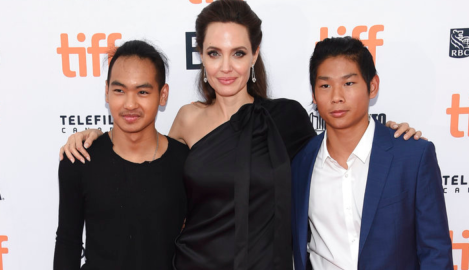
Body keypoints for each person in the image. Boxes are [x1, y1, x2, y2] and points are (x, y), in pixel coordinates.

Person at [59, 1, 423, 269]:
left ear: (255, 55)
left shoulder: (284, 118)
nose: (226, 67)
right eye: (214, 53)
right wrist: (97, 137)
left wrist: (389, 134)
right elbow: (150, 169)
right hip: (194, 263)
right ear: (200, 54)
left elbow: (338, 148)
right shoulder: (186, 119)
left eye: (238, 53)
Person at [291, 37, 453, 270]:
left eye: (349, 83)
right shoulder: (301, 163)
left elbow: (435, 253)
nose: (337, 96)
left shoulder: (412, 156)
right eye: (325, 85)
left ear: (373, 86)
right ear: (314, 95)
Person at [54, 40, 189, 270]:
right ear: (106, 92)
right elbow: (68, 243)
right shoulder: (79, 160)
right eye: (119, 90)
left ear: (163, 95)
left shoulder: (185, 162)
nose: (130, 104)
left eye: (143, 92)